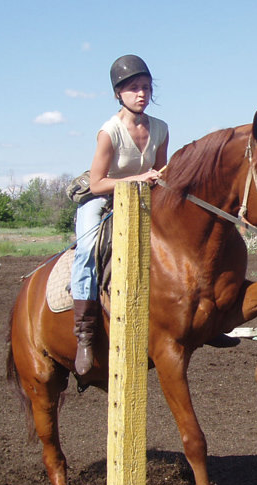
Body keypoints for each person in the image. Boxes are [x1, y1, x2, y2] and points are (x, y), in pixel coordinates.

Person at [71, 54, 168, 375]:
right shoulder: (109, 131)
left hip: (144, 198)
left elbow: (161, 171)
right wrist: (137, 179)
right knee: (86, 250)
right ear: (118, 93)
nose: (142, 94)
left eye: (146, 87)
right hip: (104, 198)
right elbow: (98, 182)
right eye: (134, 88)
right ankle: (85, 334)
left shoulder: (161, 128)